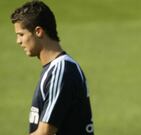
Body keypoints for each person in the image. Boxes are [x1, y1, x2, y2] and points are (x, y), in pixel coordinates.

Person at [10, 1, 94, 135]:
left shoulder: (62, 71)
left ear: (38, 31)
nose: (18, 41)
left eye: (21, 34)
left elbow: (45, 132)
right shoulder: (54, 70)